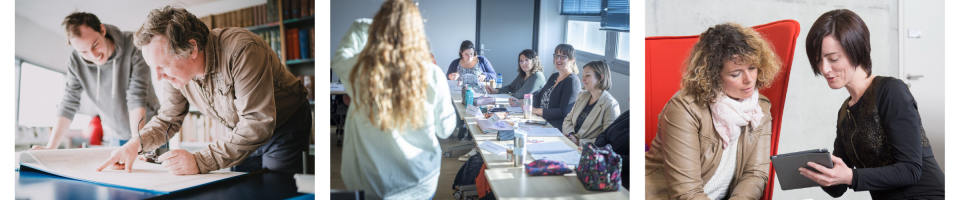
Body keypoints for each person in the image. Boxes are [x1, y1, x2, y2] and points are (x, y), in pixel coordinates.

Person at [95, 5, 311, 175]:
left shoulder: (243, 50)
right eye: (154, 69)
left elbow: (257, 122)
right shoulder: (176, 73)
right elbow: (168, 119)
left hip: (285, 123)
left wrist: (200, 161)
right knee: (240, 182)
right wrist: (135, 144)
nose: (159, 77)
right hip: (241, 129)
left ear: (192, 48)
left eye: (163, 66)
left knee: (276, 186)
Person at [797, 9, 944, 199]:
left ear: (856, 50)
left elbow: (910, 170)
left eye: (833, 59)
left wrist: (850, 176)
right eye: (818, 61)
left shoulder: (891, 91)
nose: (825, 69)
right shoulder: (845, 112)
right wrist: (819, 173)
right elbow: (838, 188)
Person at [331, 0, 456, 199]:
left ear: (379, 29)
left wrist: (366, 25)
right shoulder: (433, 74)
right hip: (421, 182)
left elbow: (339, 57)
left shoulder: (361, 71)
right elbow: (446, 129)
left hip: (372, 185)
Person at [645, 22, 781, 200]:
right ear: (714, 76)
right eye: (736, 74)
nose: (749, 80)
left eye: (752, 68)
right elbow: (687, 193)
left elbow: (755, 174)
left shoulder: (760, 108)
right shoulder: (684, 108)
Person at [31, 12, 160, 150]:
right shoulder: (75, 62)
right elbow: (69, 102)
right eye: (84, 52)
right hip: (117, 135)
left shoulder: (134, 45)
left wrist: (138, 144)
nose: (93, 56)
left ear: (102, 30)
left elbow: (136, 96)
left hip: (149, 131)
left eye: (95, 45)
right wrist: (51, 148)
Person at [562, 61, 620, 147]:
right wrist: (571, 135)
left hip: (588, 150)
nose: (583, 79)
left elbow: (608, 139)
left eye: (587, 75)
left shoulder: (610, 104)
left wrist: (579, 142)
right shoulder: (582, 95)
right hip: (569, 142)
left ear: (600, 77)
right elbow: (568, 119)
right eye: (583, 76)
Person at [532, 44, 582, 131]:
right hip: (540, 121)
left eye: (563, 57)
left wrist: (536, 110)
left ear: (572, 60)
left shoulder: (572, 81)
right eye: (556, 56)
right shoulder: (554, 76)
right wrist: (521, 101)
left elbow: (564, 111)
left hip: (554, 127)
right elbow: (538, 96)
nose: (558, 59)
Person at [594, 110, 629, 189]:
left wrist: (606, 156)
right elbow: (603, 134)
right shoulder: (628, 113)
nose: (629, 99)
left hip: (617, 177)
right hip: (600, 164)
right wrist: (599, 150)